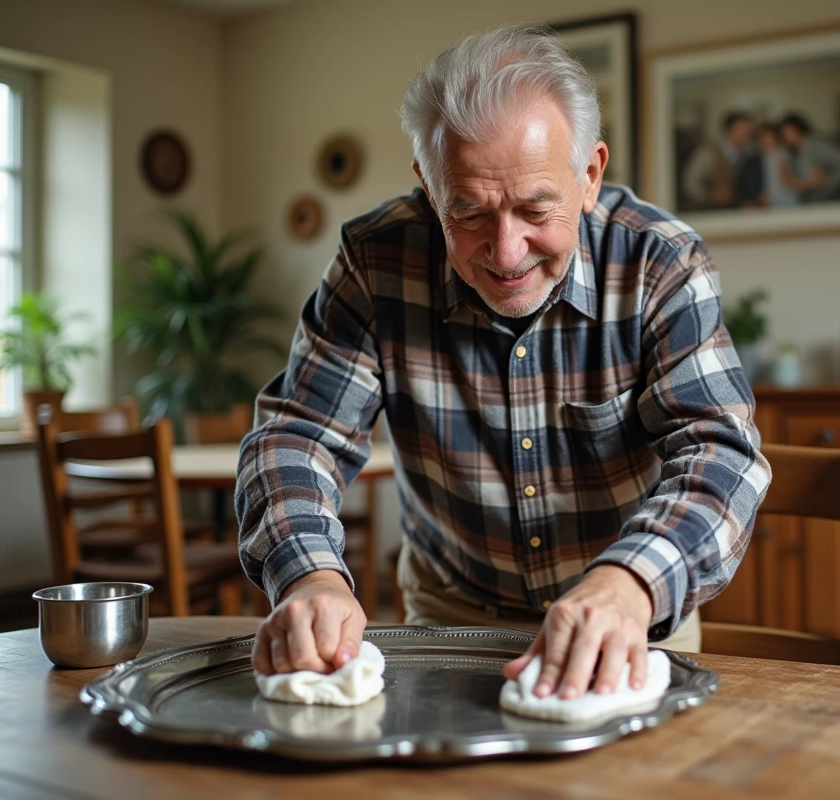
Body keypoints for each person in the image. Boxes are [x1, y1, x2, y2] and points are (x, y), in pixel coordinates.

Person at [237, 23, 770, 702]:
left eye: (533, 208)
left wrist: (629, 584)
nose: (507, 251)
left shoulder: (661, 264)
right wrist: (310, 577)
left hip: (628, 614)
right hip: (449, 621)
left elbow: (720, 453)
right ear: (430, 191)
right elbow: (298, 435)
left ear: (590, 175)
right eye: (469, 214)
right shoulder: (375, 263)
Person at [680, 111, 762, 209]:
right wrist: (711, 196)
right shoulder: (708, 153)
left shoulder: (748, 154)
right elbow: (690, 185)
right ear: (730, 130)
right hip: (709, 213)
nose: (748, 134)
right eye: (744, 129)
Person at [777, 112, 840, 202]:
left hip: (830, 201)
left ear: (796, 129)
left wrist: (828, 183)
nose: (784, 136)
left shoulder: (815, 145)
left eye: (785, 132)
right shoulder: (794, 153)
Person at [755, 124, 800, 208]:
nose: (766, 140)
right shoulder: (763, 157)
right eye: (762, 138)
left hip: (785, 203)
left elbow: (787, 181)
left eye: (769, 137)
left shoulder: (781, 155)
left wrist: (807, 183)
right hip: (771, 204)